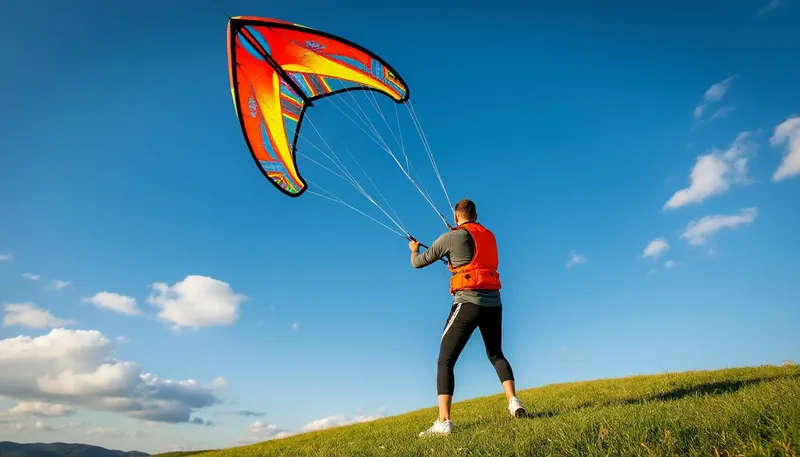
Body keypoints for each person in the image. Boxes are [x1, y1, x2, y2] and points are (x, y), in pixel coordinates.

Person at [409, 198, 526, 437]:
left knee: (445, 360)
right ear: (476, 216)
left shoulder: (450, 237)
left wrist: (414, 250)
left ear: (456, 217)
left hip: (467, 304)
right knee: (496, 354)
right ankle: (513, 401)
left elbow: (418, 263)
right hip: (494, 303)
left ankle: (444, 421)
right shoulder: (489, 236)